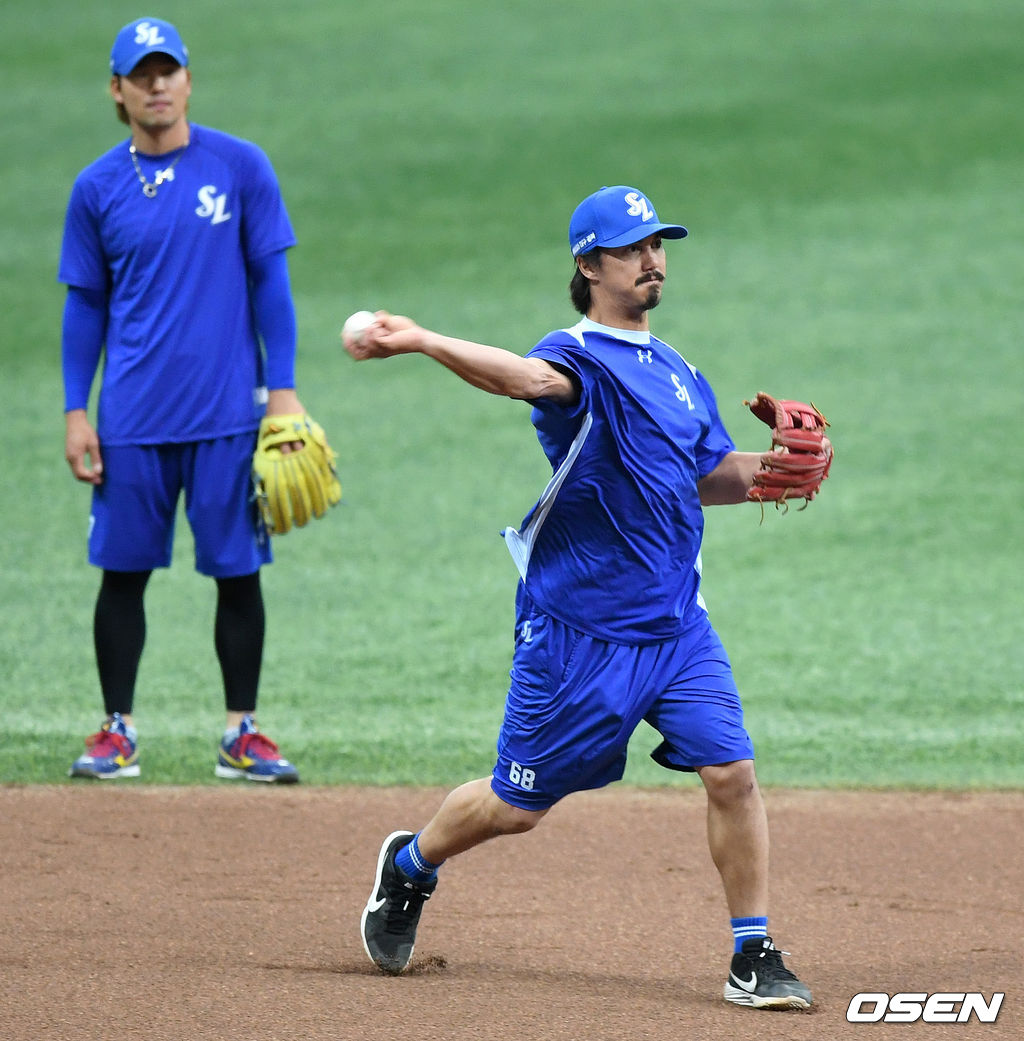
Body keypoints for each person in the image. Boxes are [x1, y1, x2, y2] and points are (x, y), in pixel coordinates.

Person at [345, 185, 823, 1010]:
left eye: (658, 244)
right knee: (514, 806)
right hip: (579, 634)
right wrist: (422, 339)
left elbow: (705, 476)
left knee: (732, 772)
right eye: (634, 246)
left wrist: (778, 472)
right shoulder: (575, 358)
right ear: (589, 263)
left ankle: (755, 953)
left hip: (677, 627)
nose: (653, 258)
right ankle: (411, 863)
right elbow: (521, 379)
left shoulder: (677, 371)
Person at [59, 17, 306, 783]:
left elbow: (272, 283)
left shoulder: (240, 167)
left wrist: (284, 394)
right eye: (142, 74)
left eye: (169, 70)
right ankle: (116, 730)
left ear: (188, 80)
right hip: (131, 418)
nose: (157, 84)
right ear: (118, 90)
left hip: (231, 414)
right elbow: (85, 307)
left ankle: (242, 733)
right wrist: (77, 409)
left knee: (238, 572)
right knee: (122, 573)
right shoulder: (97, 187)